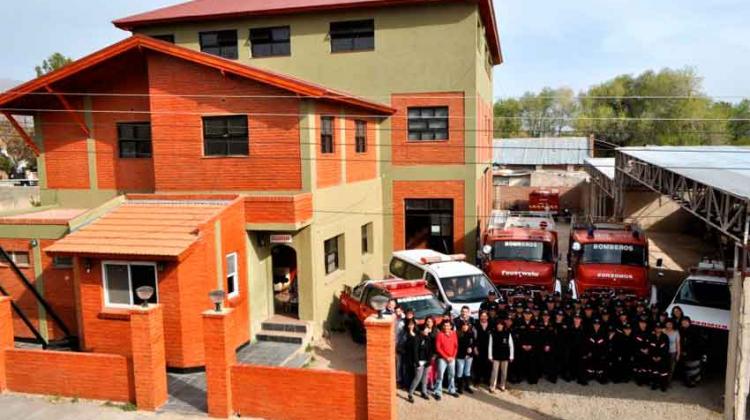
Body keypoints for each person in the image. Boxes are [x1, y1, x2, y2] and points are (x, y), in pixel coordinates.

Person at [407, 324, 434, 402]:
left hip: (427, 361)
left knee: (425, 378)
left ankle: (424, 392)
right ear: (421, 331)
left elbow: (430, 351)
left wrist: (429, 361)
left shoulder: (428, 338)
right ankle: (410, 394)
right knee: (417, 378)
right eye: (426, 329)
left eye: (428, 329)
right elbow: (414, 352)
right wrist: (417, 363)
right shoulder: (416, 338)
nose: (427, 331)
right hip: (419, 361)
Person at [434, 320, 459, 400]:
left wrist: (453, 356)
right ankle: (438, 392)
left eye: (448, 325)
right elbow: (438, 348)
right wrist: (446, 357)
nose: (446, 327)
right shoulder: (440, 334)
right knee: (440, 375)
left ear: (451, 326)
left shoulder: (454, 334)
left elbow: (456, 346)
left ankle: (451, 390)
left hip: (452, 358)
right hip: (442, 358)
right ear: (442, 326)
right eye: (445, 325)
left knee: (452, 375)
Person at [488, 317, 514, 392]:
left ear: (503, 325)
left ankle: (502, 385)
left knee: (504, 372)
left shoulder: (507, 333)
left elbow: (511, 345)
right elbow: (490, 345)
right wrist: (490, 356)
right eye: (498, 325)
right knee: (494, 372)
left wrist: (511, 356)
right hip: (495, 356)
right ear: (496, 325)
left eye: (501, 325)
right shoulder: (492, 333)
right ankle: (492, 386)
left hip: (505, 356)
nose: (499, 326)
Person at [679, 317, 706, 387]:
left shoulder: (694, 330)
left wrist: (688, 351)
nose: (684, 323)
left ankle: (693, 381)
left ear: (689, 322)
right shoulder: (681, 330)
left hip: (694, 353)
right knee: (687, 368)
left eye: (686, 322)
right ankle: (688, 381)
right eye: (683, 322)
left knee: (694, 368)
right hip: (685, 353)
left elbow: (698, 343)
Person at [583, 318, 608, 384]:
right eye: (595, 324)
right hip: (591, 353)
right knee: (588, 364)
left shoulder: (603, 334)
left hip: (600, 353)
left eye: (598, 324)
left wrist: (603, 354)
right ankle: (589, 375)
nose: (596, 326)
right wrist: (588, 353)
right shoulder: (589, 333)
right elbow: (586, 344)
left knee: (602, 364)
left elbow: (605, 345)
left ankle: (600, 376)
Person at [649, 322, 670, 391]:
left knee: (663, 373)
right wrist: (653, 356)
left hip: (663, 358)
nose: (658, 329)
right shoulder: (651, 336)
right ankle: (654, 384)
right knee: (654, 371)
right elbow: (650, 347)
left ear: (662, 329)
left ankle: (663, 386)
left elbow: (666, 348)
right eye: (657, 328)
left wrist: (660, 357)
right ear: (655, 328)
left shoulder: (665, 337)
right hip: (653, 358)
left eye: (660, 328)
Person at [538, 310, 558, 383]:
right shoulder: (539, 324)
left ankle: (551, 376)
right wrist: (543, 345)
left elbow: (554, 337)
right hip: (541, 345)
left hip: (550, 346)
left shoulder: (552, 325)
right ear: (542, 316)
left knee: (551, 361)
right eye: (544, 316)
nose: (546, 317)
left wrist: (548, 345)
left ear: (549, 317)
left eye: (547, 316)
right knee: (540, 360)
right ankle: (540, 374)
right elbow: (538, 336)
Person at [473, 311, 493, 385]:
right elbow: (474, 337)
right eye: (482, 316)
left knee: (487, 365)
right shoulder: (476, 325)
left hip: (488, 348)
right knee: (478, 364)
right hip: (478, 348)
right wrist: (475, 348)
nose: (483, 317)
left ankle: (486, 379)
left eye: (485, 316)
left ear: (487, 317)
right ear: (479, 317)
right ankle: (477, 380)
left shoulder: (491, 325)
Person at [455, 321, 475, 393]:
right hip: (460, 356)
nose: (465, 327)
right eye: (463, 325)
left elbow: (473, 343)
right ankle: (459, 387)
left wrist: (471, 348)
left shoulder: (471, 333)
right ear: (461, 326)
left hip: (469, 356)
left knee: (467, 371)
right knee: (460, 372)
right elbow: (457, 346)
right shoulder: (458, 334)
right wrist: (464, 352)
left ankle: (467, 386)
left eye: (466, 325)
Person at [401, 319, 419, 401]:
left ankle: (413, 387)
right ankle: (407, 387)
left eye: (412, 324)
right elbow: (403, 344)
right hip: (407, 355)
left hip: (415, 356)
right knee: (407, 371)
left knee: (414, 373)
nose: (410, 326)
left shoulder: (417, 333)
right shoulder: (405, 333)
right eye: (409, 324)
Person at [633, 317, 652, 386]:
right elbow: (634, 343)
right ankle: (639, 380)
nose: (643, 324)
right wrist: (641, 349)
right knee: (639, 367)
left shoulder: (649, 332)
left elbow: (651, 342)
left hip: (647, 352)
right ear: (639, 323)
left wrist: (647, 349)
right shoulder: (636, 332)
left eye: (644, 323)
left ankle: (645, 380)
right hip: (638, 352)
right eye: (641, 323)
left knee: (646, 368)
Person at [664, 319, 681, 383]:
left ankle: (668, 381)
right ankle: (662, 380)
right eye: (668, 324)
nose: (669, 325)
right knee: (664, 367)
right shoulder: (663, 330)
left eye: (670, 324)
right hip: (664, 352)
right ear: (665, 324)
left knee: (671, 368)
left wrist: (678, 354)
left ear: (673, 325)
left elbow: (678, 344)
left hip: (673, 352)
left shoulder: (676, 332)